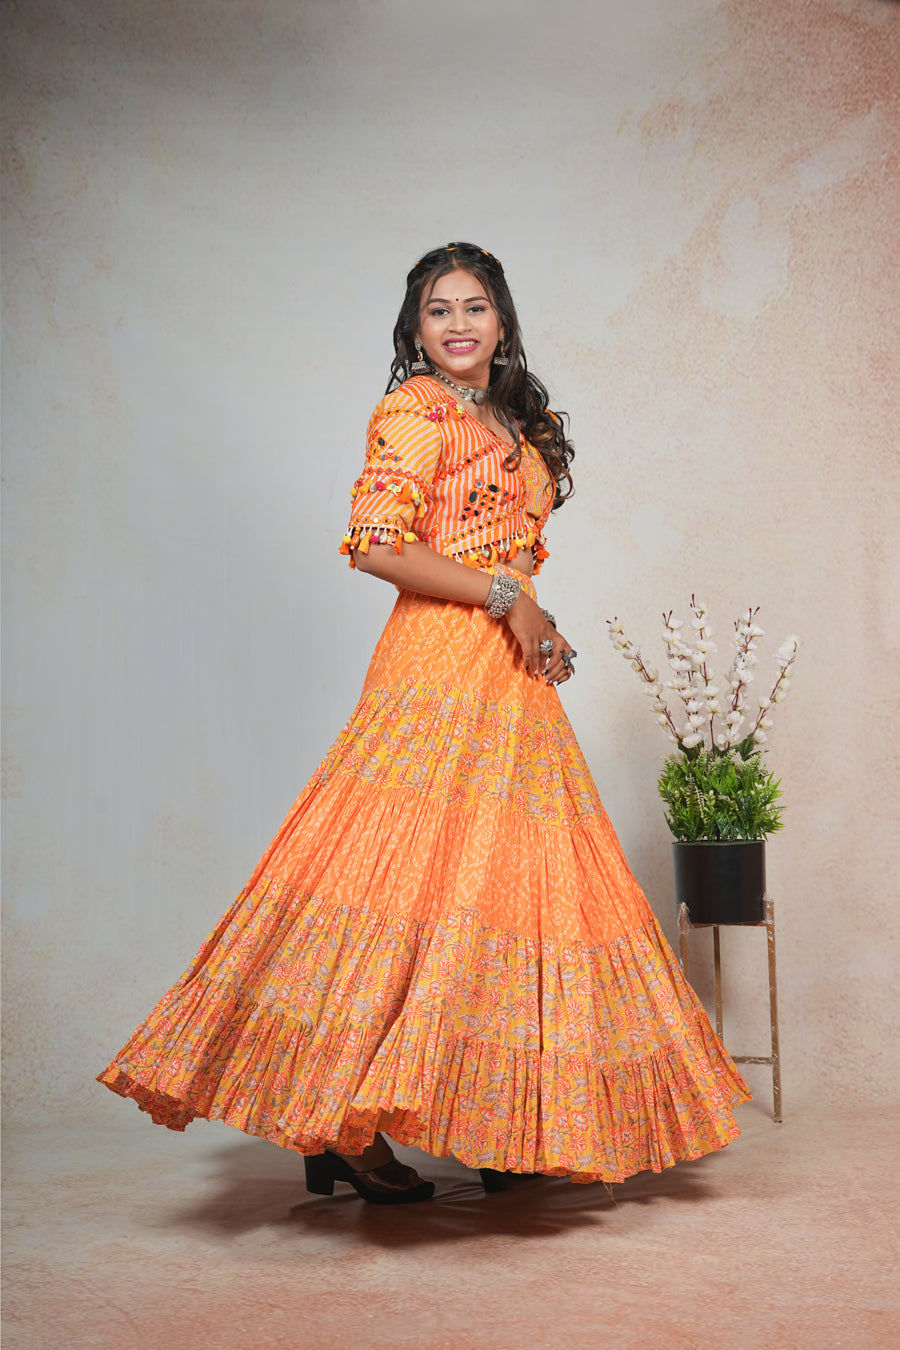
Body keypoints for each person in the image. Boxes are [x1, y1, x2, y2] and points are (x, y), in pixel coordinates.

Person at [99, 241, 750, 1205]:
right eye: (438, 310)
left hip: (506, 674)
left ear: (501, 320)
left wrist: (538, 621)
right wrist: (505, 596)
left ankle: (495, 1120)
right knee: (404, 879)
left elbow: (503, 557)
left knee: (502, 891)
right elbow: (377, 547)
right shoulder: (412, 411)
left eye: (474, 307)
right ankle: (339, 1117)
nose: (457, 324)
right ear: (415, 328)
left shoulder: (514, 416)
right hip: (437, 668)